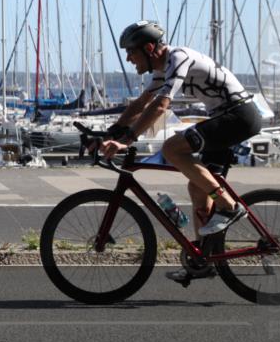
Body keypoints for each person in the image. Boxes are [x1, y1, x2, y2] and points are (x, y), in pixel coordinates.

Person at [95, 21, 263, 282]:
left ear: (149, 48)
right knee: (198, 187)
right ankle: (202, 259)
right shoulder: (162, 69)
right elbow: (141, 104)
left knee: (172, 148)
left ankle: (229, 207)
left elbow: (161, 106)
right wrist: (110, 134)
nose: (128, 59)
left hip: (239, 116)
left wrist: (128, 140)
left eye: (131, 52)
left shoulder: (178, 57)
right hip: (226, 118)